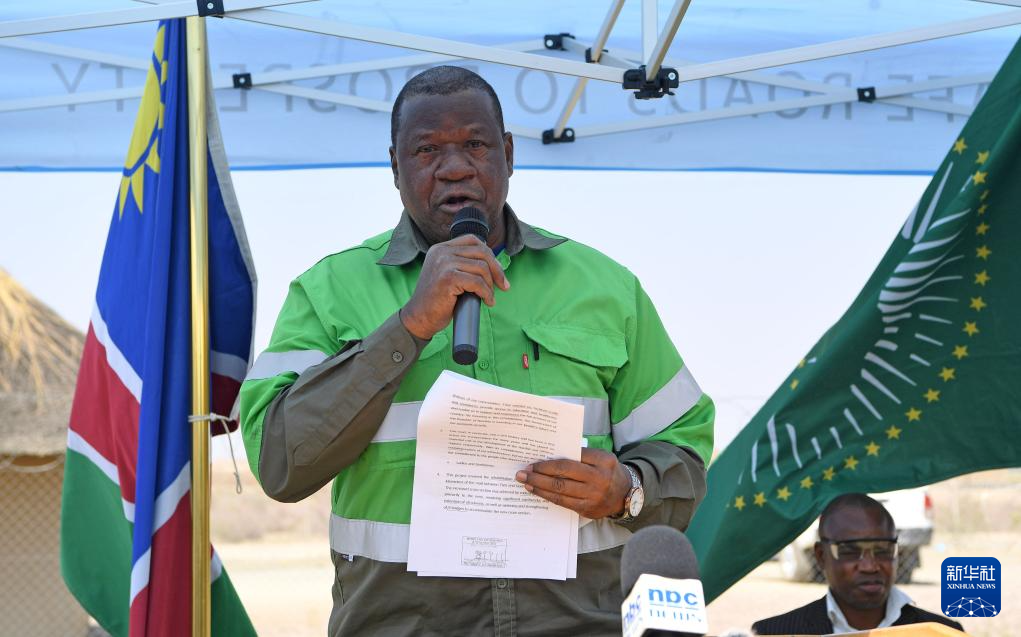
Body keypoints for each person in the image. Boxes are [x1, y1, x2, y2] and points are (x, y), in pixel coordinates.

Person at [239, 65, 713, 636]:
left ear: (508, 155)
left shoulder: (606, 288)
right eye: (427, 150)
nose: (455, 167)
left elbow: (683, 456)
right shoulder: (329, 291)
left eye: (476, 145)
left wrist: (626, 491)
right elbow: (280, 463)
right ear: (395, 167)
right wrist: (408, 328)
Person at [752, 493, 963, 635]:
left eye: (883, 549)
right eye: (850, 551)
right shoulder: (774, 634)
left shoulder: (943, 633)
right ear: (821, 556)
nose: (870, 566)